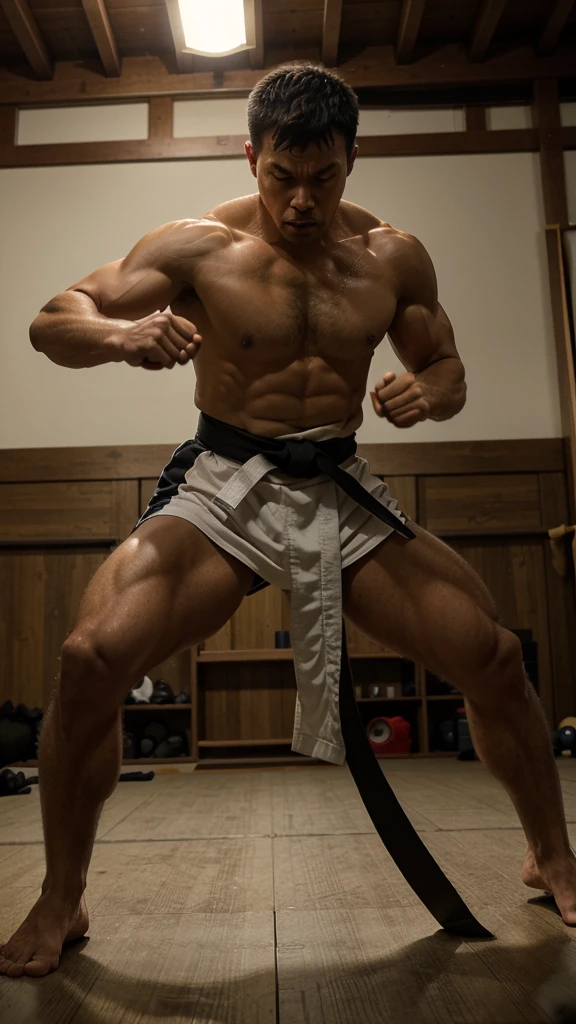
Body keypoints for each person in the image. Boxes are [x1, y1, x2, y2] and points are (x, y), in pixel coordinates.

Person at [1, 61, 575, 980]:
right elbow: (51, 318)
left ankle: (552, 856)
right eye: (282, 176)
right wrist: (122, 337)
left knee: (496, 657)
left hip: (337, 478)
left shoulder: (395, 255)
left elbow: (450, 365)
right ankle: (61, 897)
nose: (301, 201)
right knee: (88, 660)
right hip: (229, 477)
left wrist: (430, 390)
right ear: (252, 155)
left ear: (351, 160)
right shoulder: (196, 247)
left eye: (324, 177)